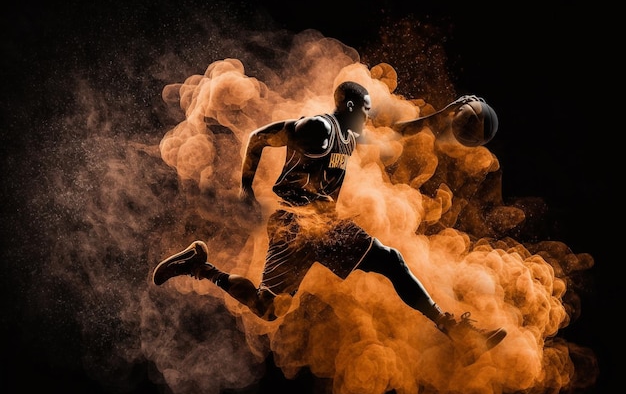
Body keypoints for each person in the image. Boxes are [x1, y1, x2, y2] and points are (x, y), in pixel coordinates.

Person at [152, 81, 507, 351]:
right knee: (390, 261)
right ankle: (452, 329)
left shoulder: (349, 135)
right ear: (351, 105)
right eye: (365, 108)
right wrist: (246, 189)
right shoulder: (318, 129)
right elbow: (260, 137)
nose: (368, 115)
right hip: (301, 221)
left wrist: (442, 115)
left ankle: (200, 267)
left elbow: (396, 132)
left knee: (269, 307)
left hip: (306, 226)